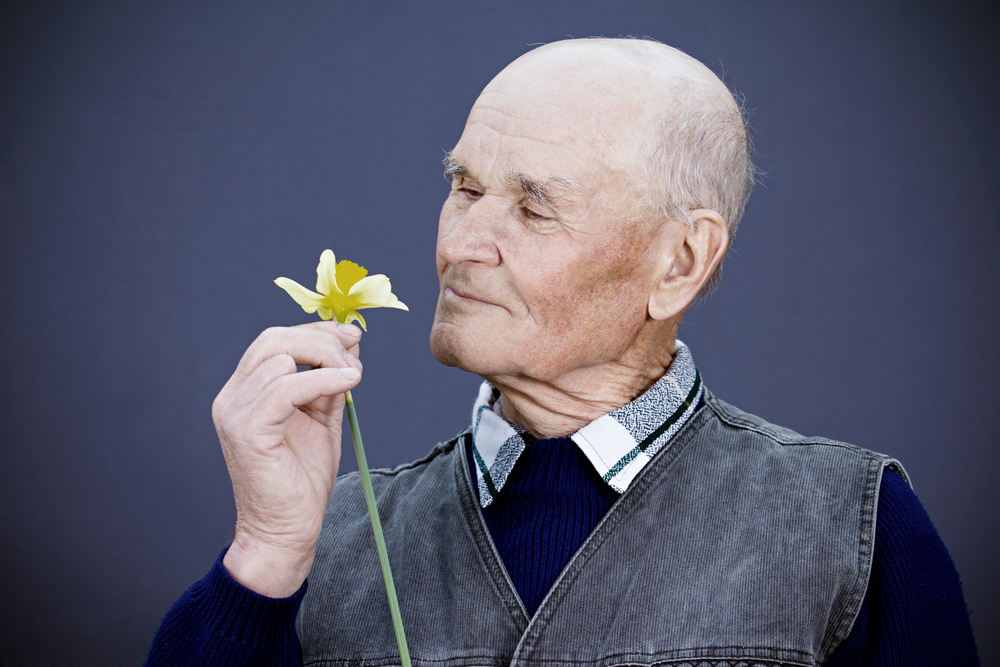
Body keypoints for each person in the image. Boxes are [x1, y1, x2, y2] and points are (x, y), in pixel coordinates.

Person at [146, 38, 979, 666]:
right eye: (463, 187)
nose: (460, 245)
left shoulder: (858, 529)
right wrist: (263, 552)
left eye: (533, 208)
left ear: (680, 262)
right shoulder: (319, 540)